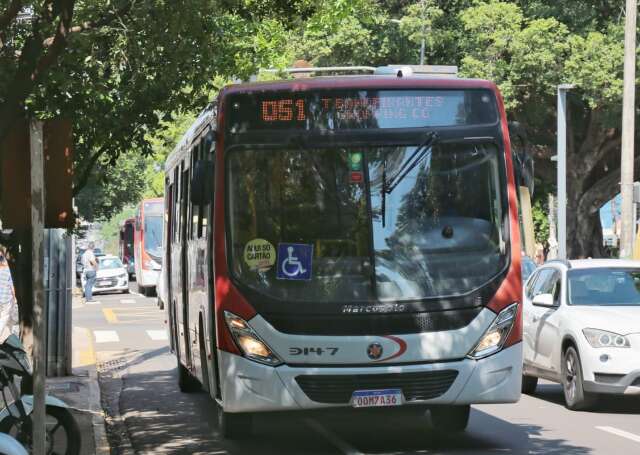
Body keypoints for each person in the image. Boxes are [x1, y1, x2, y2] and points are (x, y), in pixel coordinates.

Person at [0, 246, 19, 340]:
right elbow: (12, 285)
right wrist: (15, 297)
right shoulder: (8, 270)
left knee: (8, 318)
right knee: (4, 317)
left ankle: (8, 334)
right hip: (6, 299)